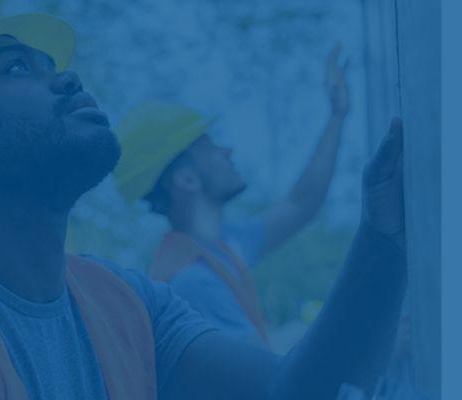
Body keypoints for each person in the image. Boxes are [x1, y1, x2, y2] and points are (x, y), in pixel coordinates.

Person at [0, 13, 410, 400]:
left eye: (54, 66)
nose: (67, 79)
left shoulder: (128, 303)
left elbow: (298, 391)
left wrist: (385, 236)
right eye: (15, 69)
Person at [110, 45, 352, 347]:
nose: (228, 151)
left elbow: (302, 203)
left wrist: (336, 117)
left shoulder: (221, 248)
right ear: (186, 179)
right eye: (210, 147)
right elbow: (264, 377)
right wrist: (362, 335)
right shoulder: (193, 281)